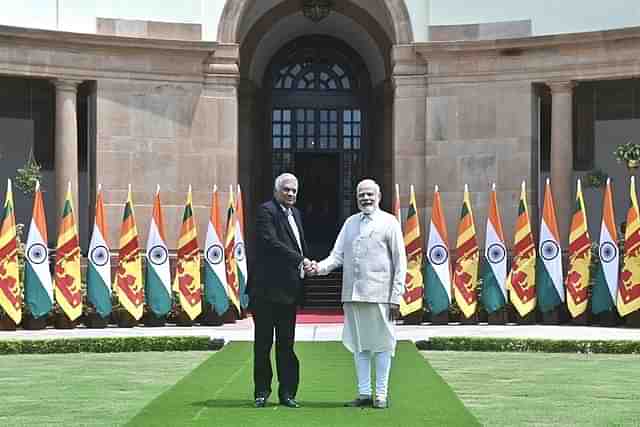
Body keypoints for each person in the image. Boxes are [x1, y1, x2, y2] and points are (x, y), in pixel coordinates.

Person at [309, 179, 407, 409]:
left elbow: (400, 262)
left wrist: (396, 297)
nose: (366, 198)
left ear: (379, 196)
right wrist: (318, 268)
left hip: (381, 296)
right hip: (353, 295)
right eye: (362, 194)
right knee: (359, 345)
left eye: (370, 194)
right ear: (356, 197)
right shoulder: (350, 223)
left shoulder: (390, 222)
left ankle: (381, 395)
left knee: (383, 345)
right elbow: (337, 256)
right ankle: (364, 393)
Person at [248, 173, 312, 408]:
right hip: (265, 291)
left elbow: (298, 244)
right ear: (276, 191)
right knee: (263, 344)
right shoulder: (266, 211)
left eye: (294, 190)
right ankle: (262, 392)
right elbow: (271, 242)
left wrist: (308, 264)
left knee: (287, 344)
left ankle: (287, 393)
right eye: (286, 190)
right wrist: (301, 260)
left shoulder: (296, 214)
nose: (291, 194)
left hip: (288, 291)